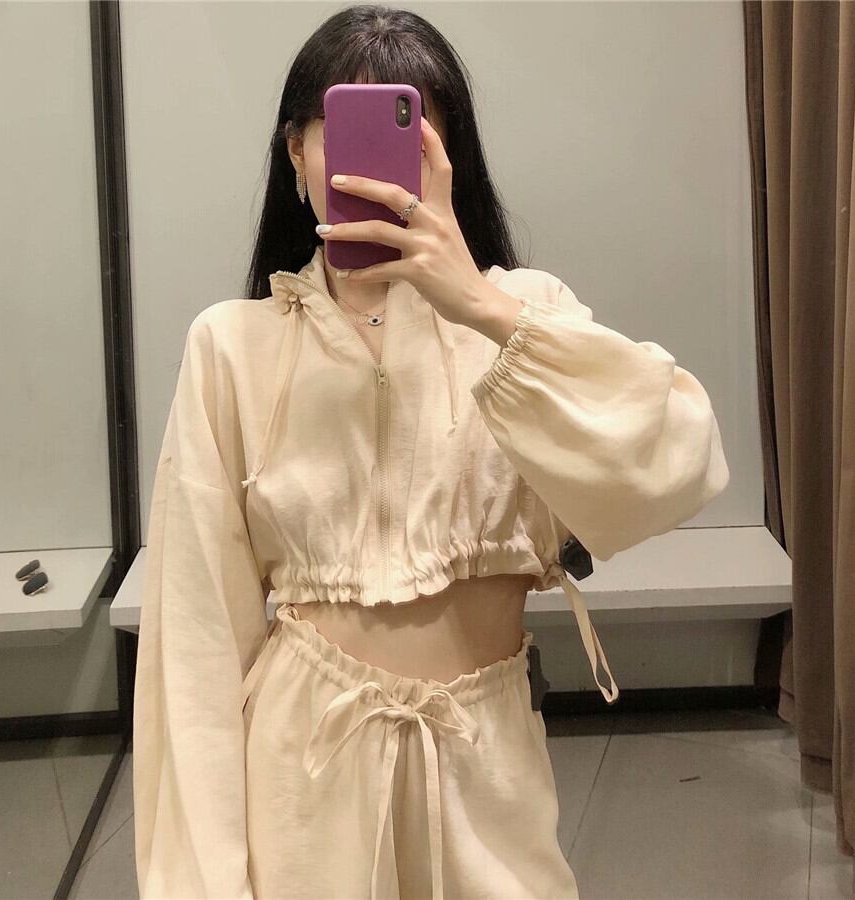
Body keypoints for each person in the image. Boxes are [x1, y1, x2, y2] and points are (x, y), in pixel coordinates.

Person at [132, 5, 731, 899]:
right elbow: (195, 642)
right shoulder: (231, 346)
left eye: (412, 147)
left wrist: (480, 305)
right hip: (302, 786)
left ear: (452, 164)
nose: (379, 176)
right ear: (295, 153)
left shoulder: (525, 316)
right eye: (342, 137)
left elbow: (677, 462)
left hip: (487, 778)